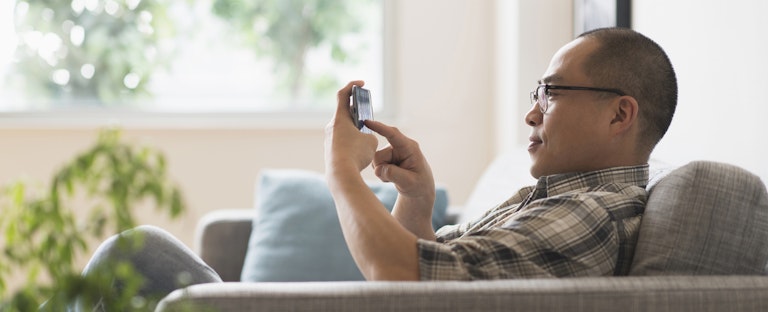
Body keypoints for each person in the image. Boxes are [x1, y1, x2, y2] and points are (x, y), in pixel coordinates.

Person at [75, 26, 677, 309]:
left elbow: (399, 275)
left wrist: (340, 167)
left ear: (619, 114)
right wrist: (415, 204)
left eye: (549, 92)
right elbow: (438, 287)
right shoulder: (552, 198)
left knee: (139, 254)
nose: (530, 114)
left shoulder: (592, 212)